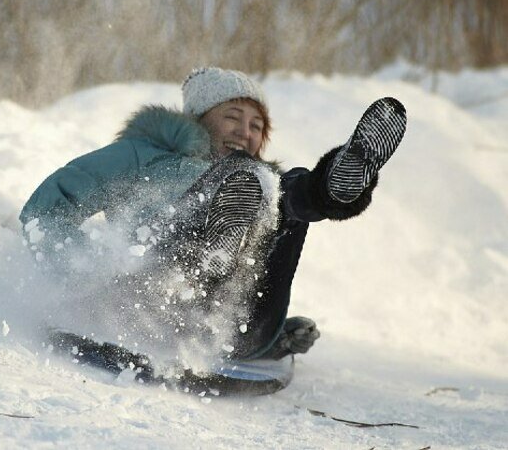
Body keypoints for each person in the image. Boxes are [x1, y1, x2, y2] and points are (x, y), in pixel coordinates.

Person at [20, 67, 406, 364]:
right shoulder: (144, 155)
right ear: (199, 118)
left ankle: (340, 183)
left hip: (232, 328)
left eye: (257, 126)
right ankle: (204, 258)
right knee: (257, 183)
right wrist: (76, 275)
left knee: (283, 192)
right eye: (232, 117)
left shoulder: (263, 189)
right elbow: (47, 209)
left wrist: (277, 341)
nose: (245, 132)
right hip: (141, 303)